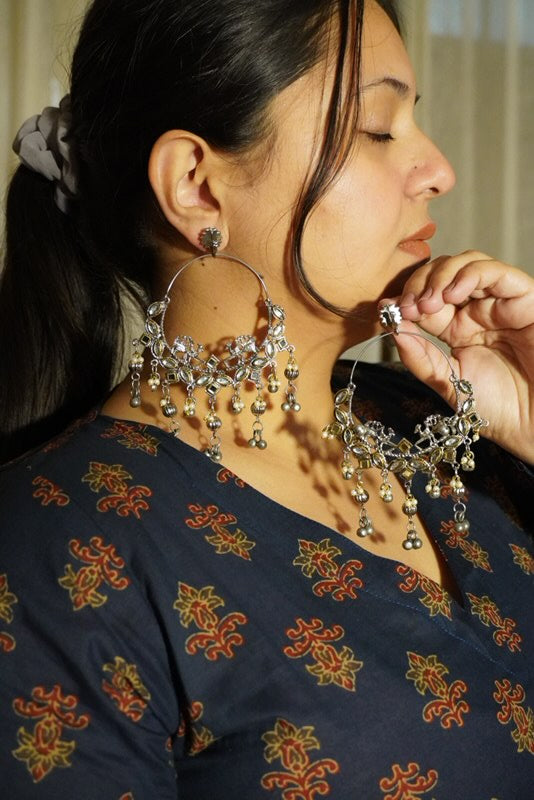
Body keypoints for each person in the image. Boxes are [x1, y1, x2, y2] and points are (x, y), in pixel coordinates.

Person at [0, 0, 533, 796]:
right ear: (196, 187)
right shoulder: (59, 546)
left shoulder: (444, 424)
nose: (438, 170)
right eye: (376, 129)